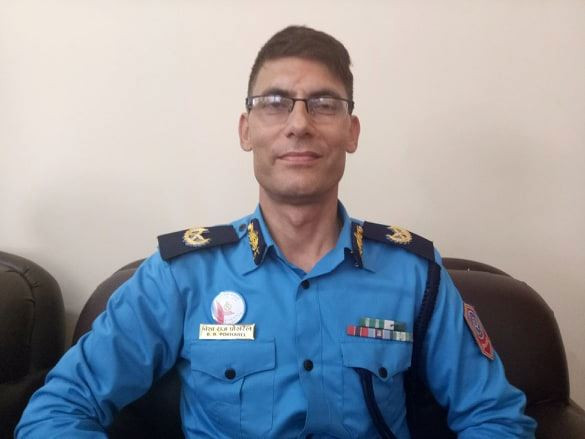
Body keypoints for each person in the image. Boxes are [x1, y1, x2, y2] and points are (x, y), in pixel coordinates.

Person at [16, 25, 536, 438]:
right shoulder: (181, 276)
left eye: (324, 104)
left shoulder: (413, 274)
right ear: (247, 131)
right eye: (275, 103)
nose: (299, 124)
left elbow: (494, 417)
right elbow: (60, 408)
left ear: (351, 133)